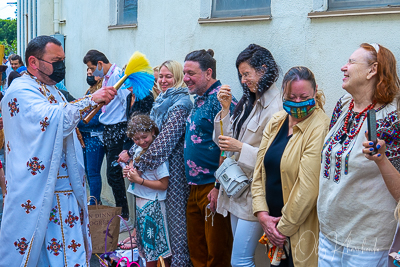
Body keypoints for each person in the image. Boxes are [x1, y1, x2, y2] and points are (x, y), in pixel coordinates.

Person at [0, 35, 117, 266]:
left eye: (63, 59)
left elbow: (66, 116)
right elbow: (54, 119)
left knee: (69, 253)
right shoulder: (20, 91)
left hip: (65, 188)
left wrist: (92, 104)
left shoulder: (52, 89)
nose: (61, 66)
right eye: (56, 60)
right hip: (38, 190)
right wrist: (90, 100)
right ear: (34, 62)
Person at [318, 43, 400, 266]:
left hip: (367, 244)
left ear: (372, 70)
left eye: (351, 62)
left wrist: (381, 159)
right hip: (329, 236)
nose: (344, 67)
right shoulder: (344, 105)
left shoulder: (393, 116)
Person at [212, 44, 282, 267]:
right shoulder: (250, 100)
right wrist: (225, 110)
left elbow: (275, 155)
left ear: (263, 69)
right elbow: (224, 141)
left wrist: (240, 147)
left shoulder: (277, 106)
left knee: (240, 261)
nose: (243, 80)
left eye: (246, 74)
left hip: (255, 193)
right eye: (241, 75)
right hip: (236, 189)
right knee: (241, 258)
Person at [252, 66, 329, 267]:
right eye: (291, 96)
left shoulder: (320, 126)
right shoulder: (277, 121)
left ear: (315, 91)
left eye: (303, 96)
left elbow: (308, 188)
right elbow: (259, 171)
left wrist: (281, 230)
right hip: (272, 227)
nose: (297, 102)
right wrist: (262, 215)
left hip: (297, 228)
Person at [131, 60, 193, 266]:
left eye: (169, 76)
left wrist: (138, 163)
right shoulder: (161, 100)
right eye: (161, 76)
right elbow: (147, 135)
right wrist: (131, 153)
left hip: (173, 170)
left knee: (175, 227)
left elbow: (164, 142)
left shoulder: (181, 103)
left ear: (178, 77)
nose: (164, 80)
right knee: (158, 226)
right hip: (155, 168)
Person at [183, 49, 235, 267]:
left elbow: (229, 147)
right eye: (184, 72)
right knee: (197, 249)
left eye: (191, 73)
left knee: (217, 253)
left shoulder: (221, 100)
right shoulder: (199, 98)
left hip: (212, 189)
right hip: (194, 187)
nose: (185, 78)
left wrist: (217, 187)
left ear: (208, 72)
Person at [83, 50, 132, 231]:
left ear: (100, 64)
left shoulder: (117, 75)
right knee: (112, 175)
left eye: (91, 68)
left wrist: (128, 136)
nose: (92, 73)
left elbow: (127, 102)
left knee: (114, 174)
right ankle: (122, 213)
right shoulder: (107, 77)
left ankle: (124, 216)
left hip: (118, 129)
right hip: (109, 129)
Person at [123, 115, 172, 267]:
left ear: (153, 132)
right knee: (146, 244)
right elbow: (133, 163)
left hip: (154, 204)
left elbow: (164, 184)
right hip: (141, 202)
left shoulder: (156, 154)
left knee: (155, 246)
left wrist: (139, 180)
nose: (141, 142)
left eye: (144, 137)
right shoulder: (138, 150)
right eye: (136, 139)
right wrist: (128, 170)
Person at [77, 68, 105, 205]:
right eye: (87, 73)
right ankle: (92, 199)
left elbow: (97, 118)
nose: (89, 76)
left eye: (91, 73)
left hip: (95, 137)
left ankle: (95, 202)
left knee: (93, 172)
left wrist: (77, 122)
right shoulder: (89, 91)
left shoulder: (103, 92)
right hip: (85, 137)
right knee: (87, 171)